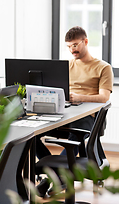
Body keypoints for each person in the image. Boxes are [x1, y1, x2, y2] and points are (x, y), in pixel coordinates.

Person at [36, 26, 114, 196]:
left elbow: (104, 97)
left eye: (75, 45)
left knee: (74, 138)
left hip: (88, 117)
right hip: (65, 112)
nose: (72, 49)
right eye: (69, 46)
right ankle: (56, 174)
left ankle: (52, 177)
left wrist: (80, 97)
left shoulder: (103, 67)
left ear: (85, 41)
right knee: (31, 135)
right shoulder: (66, 66)